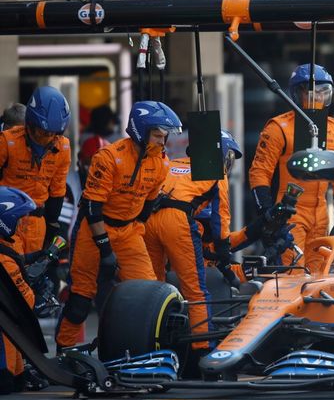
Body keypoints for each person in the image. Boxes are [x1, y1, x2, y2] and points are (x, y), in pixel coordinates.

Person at [55, 101, 176, 350]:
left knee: (149, 295)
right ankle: (65, 352)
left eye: (164, 137)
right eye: (157, 136)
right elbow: (91, 209)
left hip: (129, 231)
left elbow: (148, 207)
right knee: (80, 299)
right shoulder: (108, 158)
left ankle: (146, 351)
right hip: (94, 229)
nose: (162, 143)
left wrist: (133, 233)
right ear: (140, 131)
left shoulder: (162, 164)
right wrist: (106, 250)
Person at [144, 130, 242, 365]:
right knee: (196, 291)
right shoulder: (215, 173)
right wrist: (223, 252)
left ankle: (148, 349)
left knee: (154, 288)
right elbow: (220, 220)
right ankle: (202, 351)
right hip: (177, 221)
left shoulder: (172, 163)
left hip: (148, 220)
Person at [249, 64, 334, 272]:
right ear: (297, 94)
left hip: (321, 213)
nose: (319, 98)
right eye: (313, 93)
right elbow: (259, 172)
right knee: (292, 273)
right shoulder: (279, 128)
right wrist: (268, 213)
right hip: (290, 213)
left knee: (319, 274)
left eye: (325, 92)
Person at [0, 86, 71, 256]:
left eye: (52, 134)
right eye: (42, 132)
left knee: (34, 276)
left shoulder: (63, 148)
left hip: (37, 224)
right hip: (6, 219)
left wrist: (53, 226)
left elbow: (57, 191)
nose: (47, 138)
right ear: (30, 124)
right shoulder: (7, 141)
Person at [0, 187, 38, 394]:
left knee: (16, 381)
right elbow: (25, 300)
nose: (23, 224)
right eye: (20, 219)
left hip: (11, 336)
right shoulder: (4, 258)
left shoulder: (8, 249)